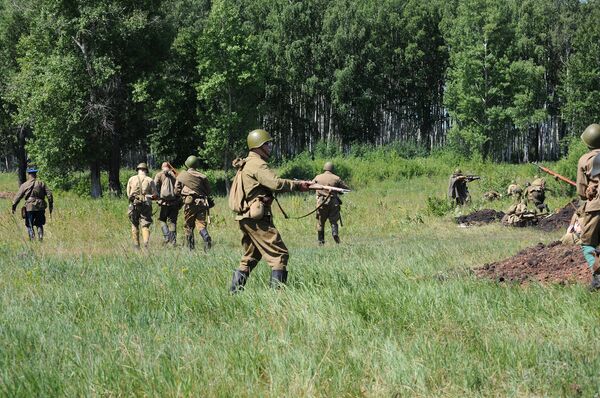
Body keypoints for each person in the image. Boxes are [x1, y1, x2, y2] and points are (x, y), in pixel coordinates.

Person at [229, 129, 311, 292]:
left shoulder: (247, 163)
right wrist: (297, 185)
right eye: (267, 144)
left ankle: (234, 294)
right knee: (280, 254)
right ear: (258, 146)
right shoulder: (257, 164)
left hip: (247, 217)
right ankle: (277, 300)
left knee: (251, 257)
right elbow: (275, 183)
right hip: (257, 218)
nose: (270, 147)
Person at [576, 123, 600, 290]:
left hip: (596, 206)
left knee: (587, 243)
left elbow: (581, 190)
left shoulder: (585, 159)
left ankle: (598, 276)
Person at [175, 155, 213, 251]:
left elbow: (176, 190)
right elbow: (208, 191)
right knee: (201, 224)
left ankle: (191, 249)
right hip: (201, 203)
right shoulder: (203, 176)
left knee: (188, 225)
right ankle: (206, 236)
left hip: (189, 203)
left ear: (187, 164)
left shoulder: (182, 176)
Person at [311, 161, 350, 245]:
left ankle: (321, 242)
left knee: (320, 223)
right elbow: (346, 189)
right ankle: (335, 234)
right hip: (333, 203)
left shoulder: (318, 177)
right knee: (333, 221)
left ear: (324, 168)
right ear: (332, 168)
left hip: (321, 203)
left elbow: (310, 186)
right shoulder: (336, 178)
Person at [11, 166, 53, 241]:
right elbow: (49, 195)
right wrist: (50, 205)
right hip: (40, 206)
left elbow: (17, 197)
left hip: (29, 207)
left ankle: (32, 239)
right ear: (35, 174)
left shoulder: (24, 185)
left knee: (29, 225)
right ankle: (40, 237)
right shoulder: (41, 183)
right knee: (39, 224)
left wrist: (14, 207)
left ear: (28, 174)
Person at [126, 163, 158, 249]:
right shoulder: (150, 180)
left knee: (134, 224)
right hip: (146, 204)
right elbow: (155, 195)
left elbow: (128, 194)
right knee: (145, 225)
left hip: (133, 204)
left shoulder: (131, 179)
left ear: (138, 170)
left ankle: (136, 246)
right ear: (146, 171)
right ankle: (146, 244)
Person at [154, 162, 181, 246]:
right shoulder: (175, 174)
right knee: (173, 221)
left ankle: (166, 236)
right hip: (174, 202)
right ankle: (173, 241)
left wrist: (158, 197)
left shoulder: (159, 175)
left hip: (163, 202)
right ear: (169, 167)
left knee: (162, 220)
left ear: (162, 167)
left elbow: (154, 186)